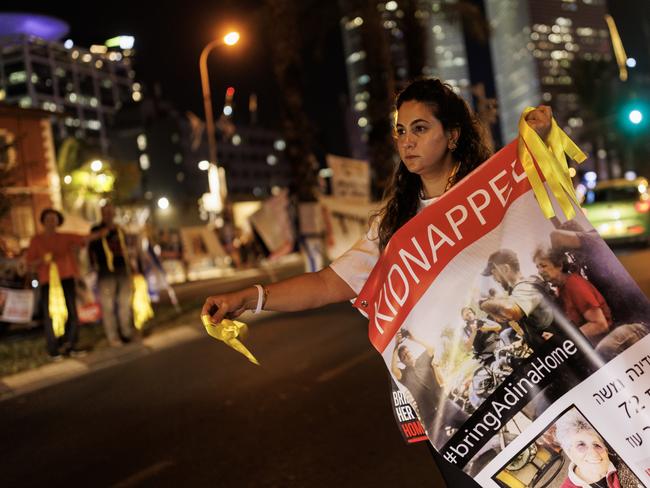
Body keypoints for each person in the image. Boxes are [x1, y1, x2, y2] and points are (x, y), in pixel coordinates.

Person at [202, 78, 552, 486]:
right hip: (447, 402)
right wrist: (250, 297)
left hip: (518, 376)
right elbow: (328, 284)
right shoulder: (394, 226)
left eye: (420, 128)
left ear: (453, 135)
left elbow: (538, 218)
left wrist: (539, 143)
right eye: (401, 131)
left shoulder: (493, 192)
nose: (407, 141)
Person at [25, 208, 106, 359]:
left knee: (72, 312)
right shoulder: (36, 240)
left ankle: (70, 344)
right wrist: (43, 260)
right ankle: (53, 348)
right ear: (43, 221)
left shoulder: (65, 237)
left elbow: (85, 238)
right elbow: (29, 263)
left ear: (58, 221)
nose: (52, 221)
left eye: (54, 218)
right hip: (47, 282)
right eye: (48, 218)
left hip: (67, 278)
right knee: (50, 315)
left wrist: (102, 232)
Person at [391, 330, 469, 447]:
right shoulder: (404, 375)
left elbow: (431, 348)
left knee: (469, 423)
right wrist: (396, 346)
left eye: (407, 352)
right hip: (429, 417)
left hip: (444, 404)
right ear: (402, 361)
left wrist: (414, 338)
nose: (407, 355)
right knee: (443, 447)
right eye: (403, 356)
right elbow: (393, 370)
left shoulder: (423, 360)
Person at [532, 246, 612, 346]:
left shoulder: (574, 285)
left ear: (559, 265)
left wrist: (564, 339)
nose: (539, 271)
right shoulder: (560, 289)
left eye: (543, 266)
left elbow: (600, 325)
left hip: (604, 342)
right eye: (537, 267)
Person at [478, 249, 555, 350]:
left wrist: (483, 304)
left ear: (505, 269)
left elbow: (510, 311)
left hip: (559, 351)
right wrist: (525, 339)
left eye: (494, 273)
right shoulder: (519, 289)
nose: (495, 279)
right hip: (551, 351)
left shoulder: (525, 286)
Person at [554, 409, 642, 488]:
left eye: (597, 445)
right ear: (569, 452)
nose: (593, 454)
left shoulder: (621, 460)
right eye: (581, 445)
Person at [88, 203, 135, 347]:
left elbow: (128, 248)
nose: (108, 215)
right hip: (105, 272)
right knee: (108, 306)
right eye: (105, 212)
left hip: (123, 270)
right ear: (101, 214)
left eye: (111, 212)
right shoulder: (96, 229)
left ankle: (127, 333)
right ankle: (113, 337)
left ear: (114, 213)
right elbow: (89, 249)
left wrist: (133, 266)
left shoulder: (120, 229)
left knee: (125, 304)